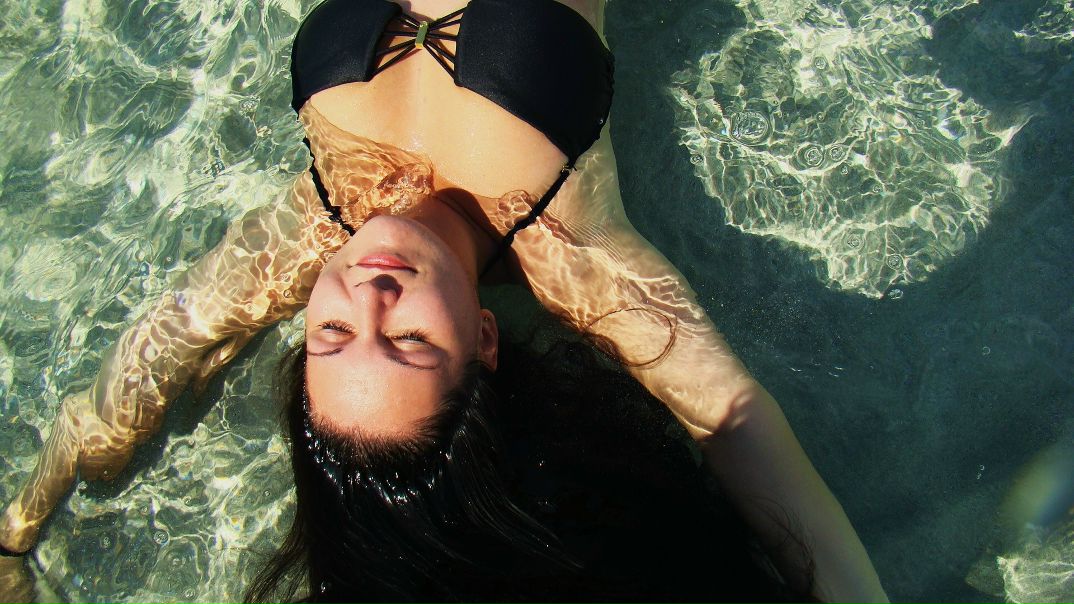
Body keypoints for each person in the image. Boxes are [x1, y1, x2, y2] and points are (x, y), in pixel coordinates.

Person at [1, 0, 888, 601]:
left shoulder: (309, 225)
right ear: (487, 341)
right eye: (409, 343)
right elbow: (733, 424)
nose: (370, 295)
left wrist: (18, 528)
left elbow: (137, 375)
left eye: (334, 333)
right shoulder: (567, 245)